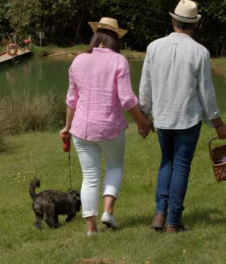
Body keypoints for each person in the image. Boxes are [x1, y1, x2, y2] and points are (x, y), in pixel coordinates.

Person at [139, 0, 226, 233]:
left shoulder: (153, 47)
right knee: (180, 166)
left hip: (162, 118)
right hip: (187, 119)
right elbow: (206, 93)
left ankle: (160, 215)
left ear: (173, 21)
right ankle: (173, 222)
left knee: (166, 162)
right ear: (196, 24)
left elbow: (145, 87)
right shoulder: (200, 52)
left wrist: (144, 116)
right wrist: (218, 123)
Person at [60, 17, 152, 236]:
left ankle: (91, 229)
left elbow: (71, 99)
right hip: (110, 128)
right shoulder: (119, 61)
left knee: (90, 176)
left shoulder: (79, 60)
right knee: (115, 167)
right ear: (115, 38)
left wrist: (66, 127)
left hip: (81, 129)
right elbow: (127, 100)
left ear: (96, 36)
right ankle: (108, 213)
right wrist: (143, 124)